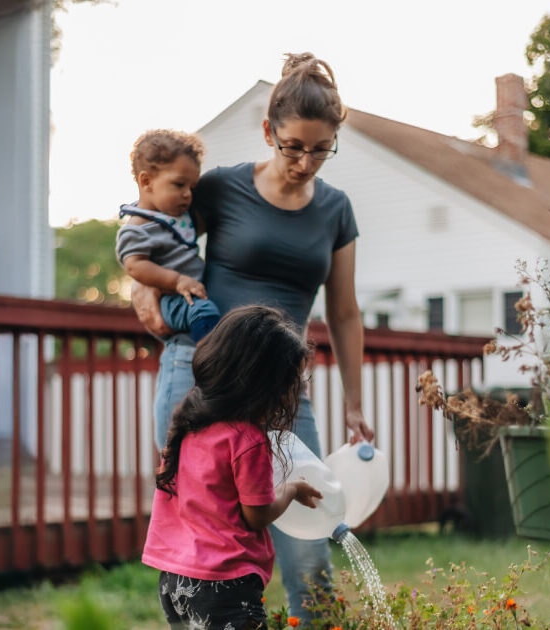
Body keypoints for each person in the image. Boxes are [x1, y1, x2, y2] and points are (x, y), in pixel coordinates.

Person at [131, 52, 374, 623]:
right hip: (199, 371)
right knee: (204, 529)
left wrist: (357, 403)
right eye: (293, 145)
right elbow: (153, 232)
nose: (306, 161)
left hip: (281, 389)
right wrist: (143, 292)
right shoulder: (220, 187)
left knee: (308, 542)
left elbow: (343, 312)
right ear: (269, 132)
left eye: (321, 148)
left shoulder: (336, 210)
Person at [142, 305, 323, 630]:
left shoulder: (189, 424)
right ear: (260, 382)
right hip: (223, 585)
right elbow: (257, 514)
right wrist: (291, 489)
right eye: (287, 385)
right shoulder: (248, 440)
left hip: (173, 579)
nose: (288, 395)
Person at [116, 129, 221, 342]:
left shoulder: (176, 218)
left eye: (192, 187)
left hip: (189, 295)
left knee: (207, 311)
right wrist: (176, 281)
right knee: (205, 314)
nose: (188, 194)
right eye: (179, 184)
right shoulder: (137, 228)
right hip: (170, 299)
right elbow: (135, 266)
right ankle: (213, 358)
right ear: (146, 182)